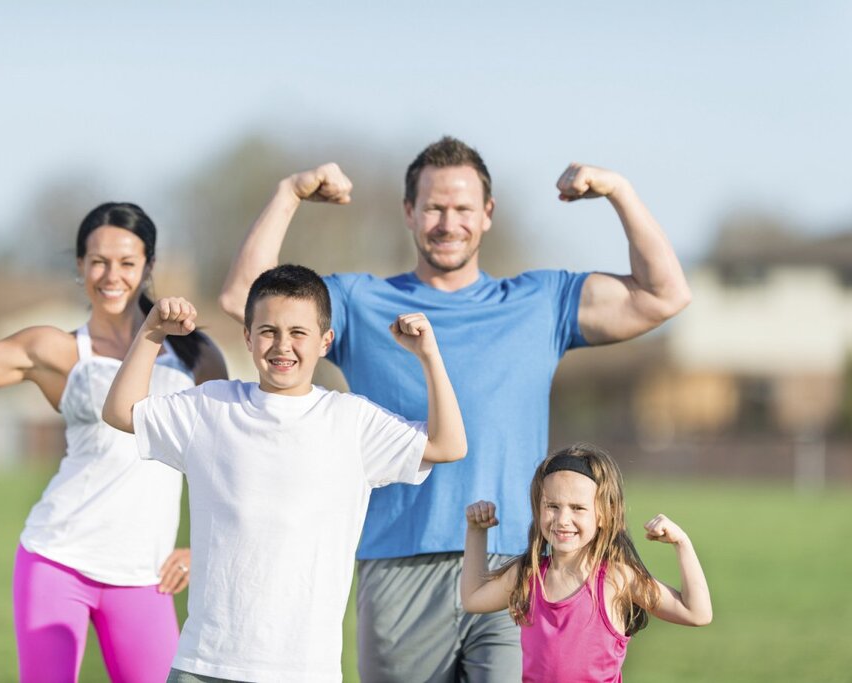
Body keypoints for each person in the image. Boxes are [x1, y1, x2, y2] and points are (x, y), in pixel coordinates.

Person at [218, 136, 692, 681]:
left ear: (487, 214)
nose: (448, 222)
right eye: (434, 207)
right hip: (398, 562)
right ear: (409, 213)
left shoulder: (540, 302)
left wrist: (619, 191)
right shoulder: (357, 302)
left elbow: (664, 295)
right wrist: (289, 192)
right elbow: (243, 300)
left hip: (520, 565)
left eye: (463, 208)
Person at [102, 264, 468, 683]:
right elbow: (120, 412)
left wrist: (429, 356)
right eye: (268, 331)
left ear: (325, 341)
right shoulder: (211, 407)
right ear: (248, 336)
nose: (282, 345)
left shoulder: (351, 421)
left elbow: (448, 444)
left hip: (305, 669)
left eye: (298, 333)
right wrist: (151, 332)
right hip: (206, 662)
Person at [0, 203, 228, 683]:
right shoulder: (55, 350)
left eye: (126, 262)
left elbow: (226, 461)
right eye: (98, 261)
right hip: (57, 557)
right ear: (80, 266)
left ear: (149, 266)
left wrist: (201, 548)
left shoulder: (196, 355)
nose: (111, 274)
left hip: (145, 574)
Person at [460, 443, 712, 682]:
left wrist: (682, 543)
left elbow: (696, 613)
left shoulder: (617, 578)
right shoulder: (527, 575)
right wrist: (476, 532)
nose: (563, 519)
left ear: (604, 514)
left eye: (578, 508)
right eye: (553, 506)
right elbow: (473, 598)